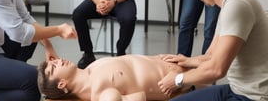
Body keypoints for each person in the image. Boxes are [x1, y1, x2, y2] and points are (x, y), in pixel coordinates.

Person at [158, 0, 268, 100]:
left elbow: (217, 70)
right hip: (236, 89)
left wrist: (179, 80)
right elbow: (211, 55)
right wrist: (187, 61)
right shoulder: (229, 4)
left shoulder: (237, 6)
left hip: (253, 97)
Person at [37, 55, 194, 101]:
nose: (57, 61)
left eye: (54, 61)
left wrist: (156, 57)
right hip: (178, 80)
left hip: (174, 62)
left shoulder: (91, 67)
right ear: (61, 84)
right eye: (53, 68)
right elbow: (141, 98)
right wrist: (176, 83)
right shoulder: (100, 93)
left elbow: (130, 59)